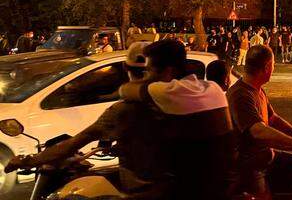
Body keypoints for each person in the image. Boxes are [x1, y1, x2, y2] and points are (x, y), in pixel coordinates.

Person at [4, 42, 173, 199]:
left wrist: (28, 161)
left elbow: (72, 144)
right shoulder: (179, 103)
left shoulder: (124, 110)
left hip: (143, 192)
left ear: (124, 67)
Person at [119, 39, 236, 199]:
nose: (148, 75)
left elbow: (125, 90)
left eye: (150, 70)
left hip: (192, 189)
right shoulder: (213, 88)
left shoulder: (167, 91)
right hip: (223, 183)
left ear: (168, 71)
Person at [227, 45, 292, 198]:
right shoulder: (241, 95)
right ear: (266, 67)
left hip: (267, 156)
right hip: (252, 165)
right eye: (273, 64)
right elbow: (258, 130)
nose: (274, 67)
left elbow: (273, 119)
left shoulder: (257, 89)